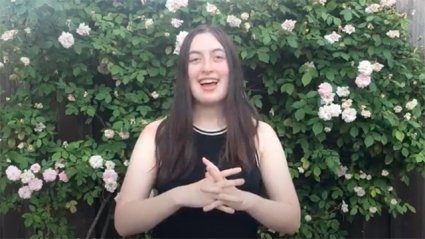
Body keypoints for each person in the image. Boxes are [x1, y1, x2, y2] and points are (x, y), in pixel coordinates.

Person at [114, 24, 300, 238]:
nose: (207, 68)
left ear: (232, 68)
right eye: (195, 59)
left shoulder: (260, 134)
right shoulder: (156, 134)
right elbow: (124, 222)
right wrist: (182, 196)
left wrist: (245, 200)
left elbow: (291, 220)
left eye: (218, 57)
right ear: (184, 73)